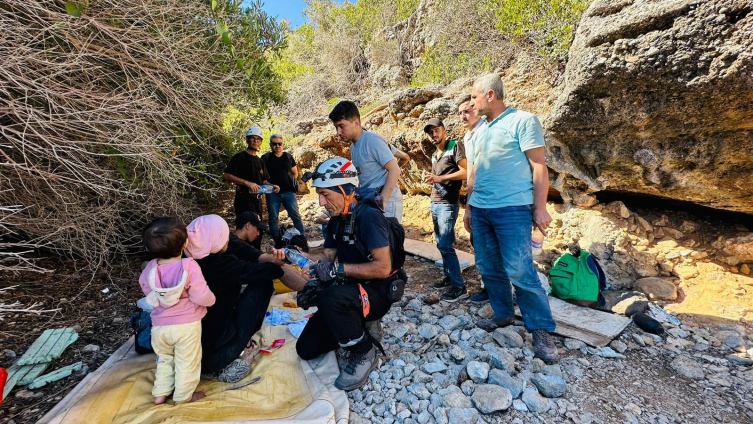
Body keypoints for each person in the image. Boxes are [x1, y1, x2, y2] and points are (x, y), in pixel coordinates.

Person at [285, 157, 404, 391]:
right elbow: (327, 257)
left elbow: (383, 267)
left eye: (326, 194)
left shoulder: (369, 217)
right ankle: (354, 323)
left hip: (378, 291)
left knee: (329, 297)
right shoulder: (337, 220)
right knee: (306, 349)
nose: (321, 202)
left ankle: (365, 351)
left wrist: (336, 271)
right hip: (354, 289)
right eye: (319, 195)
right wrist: (295, 256)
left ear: (347, 190)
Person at [465, 73, 559, 363]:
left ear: (490, 95)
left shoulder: (524, 121)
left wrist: (540, 207)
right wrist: (469, 207)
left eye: (474, 97)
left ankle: (541, 330)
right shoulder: (480, 130)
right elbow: (476, 172)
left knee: (520, 270)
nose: (471, 103)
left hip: (512, 209)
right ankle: (504, 314)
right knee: (487, 266)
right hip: (480, 209)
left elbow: (539, 167)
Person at [185, 214, 283, 383]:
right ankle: (243, 350)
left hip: (186, 359)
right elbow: (273, 271)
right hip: (219, 355)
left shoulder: (181, 262)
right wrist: (277, 261)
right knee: (263, 283)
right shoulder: (223, 264)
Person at [139, 217, 216, 405]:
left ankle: (160, 393)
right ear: (185, 243)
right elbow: (200, 295)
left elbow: (146, 289)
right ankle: (183, 396)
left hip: (159, 327)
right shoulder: (188, 266)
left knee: (164, 359)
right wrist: (211, 300)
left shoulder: (150, 268)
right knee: (187, 361)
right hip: (186, 326)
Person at [328, 101, 404, 223]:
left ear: (356, 123)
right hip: (369, 199)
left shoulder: (372, 141)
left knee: (389, 240)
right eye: (336, 127)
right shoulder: (353, 147)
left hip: (386, 202)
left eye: (342, 126)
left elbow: (394, 169)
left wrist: (383, 199)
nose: (338, 132)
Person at [422, 118, 468, 302]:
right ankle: (449, 276)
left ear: (444, 131)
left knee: (446, 245)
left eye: (437, 130)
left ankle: (459, 286)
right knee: (440, 241)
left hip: (448, 203)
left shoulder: (455, 146)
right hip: (435, 202)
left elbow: (465, 172)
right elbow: (437, 177)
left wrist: (439, 179)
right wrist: (431, 178)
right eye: (431, 132)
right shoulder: (435, 154)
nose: (434, 134)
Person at [223, 126, 279, 248]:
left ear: (261, 141)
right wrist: (247, 182)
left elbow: (264, 180)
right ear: (247, 140)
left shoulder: (260, 161)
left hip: (257, 200)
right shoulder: (239, 157)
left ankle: (255, 256)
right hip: (243, 199)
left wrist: (272, 186)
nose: (255, 141)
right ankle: (243, 257)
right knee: (246, 230)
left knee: (257, 228)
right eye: (252, 138)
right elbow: (227, 175)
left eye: (258, 139)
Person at [458, 95, 489, 303]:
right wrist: (468, 207)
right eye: (460, 112)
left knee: (492, 248)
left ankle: (501, 292)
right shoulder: (468, 137)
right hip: (476, 200)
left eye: (467, 111)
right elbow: (471, 174)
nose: (463, 116)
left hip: (492, 201)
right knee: (478, 243)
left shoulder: (488, 131)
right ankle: (489, 288)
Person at [227, 211, 306, 292]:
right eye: (257, 229)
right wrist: (282, 254)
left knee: (276, 266)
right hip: (232, 283)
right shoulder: (234, 241)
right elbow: (265, 258)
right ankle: (311, 291)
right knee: (276, 267)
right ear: (248, 225)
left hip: (237, 277)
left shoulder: (237, 240)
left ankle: (310, 284)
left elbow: (256, 257)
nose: (258, 234)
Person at [261, 134, 305, 244]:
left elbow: (295, 173)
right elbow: (261, 176)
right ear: (270, 145)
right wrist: (268, 184)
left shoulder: (288, 157)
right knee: (273, 218)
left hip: (289, 192)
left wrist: (292, 182)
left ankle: (302, 240)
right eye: (274, 144)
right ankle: (278, 242)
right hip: (271, 192)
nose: (277, 146)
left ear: (283, 144)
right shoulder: (265, 158)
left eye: (279, 144)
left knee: (296, 216)